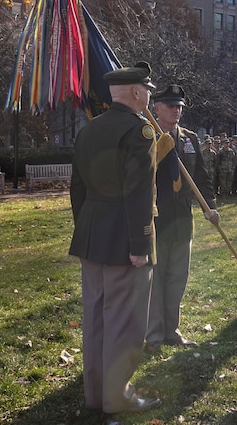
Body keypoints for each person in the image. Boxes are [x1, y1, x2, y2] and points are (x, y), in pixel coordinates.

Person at [69, 61, 161, 416]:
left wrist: (86, 226)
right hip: (125, 237)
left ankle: (95, 394)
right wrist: (140, 245)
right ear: (137, 92)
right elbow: (139, 193)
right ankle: (116, 397)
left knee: (96, 318)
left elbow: (77, 186)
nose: (149, 95)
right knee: (124, 322)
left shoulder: (89, 130)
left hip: (93, 234)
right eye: (148, 90)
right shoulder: (139, 132)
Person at [146, 84, 220, 352]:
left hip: (182, 220)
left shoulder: (188, 139)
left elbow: (201, 176)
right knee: (155, 278)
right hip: (157, 219)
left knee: (177, 278)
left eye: (179, 107)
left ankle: (171, 330)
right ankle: (153, 335)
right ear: (156, 108)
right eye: (170, 106)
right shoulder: (147, 136)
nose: (176, 111)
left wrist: (209, 206)